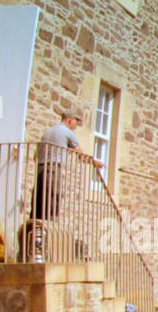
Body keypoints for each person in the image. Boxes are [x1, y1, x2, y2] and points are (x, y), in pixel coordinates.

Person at [23, 107, 102, 260]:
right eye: (75, 123)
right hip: (53, 169)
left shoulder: (49, 131)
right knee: (52, 205)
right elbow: (80, 154)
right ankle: (47, 247)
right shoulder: (67, 132)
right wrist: (95, 162)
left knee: (37, 206)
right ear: (70, 120)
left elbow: (35, 154)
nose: (75, 127)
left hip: (40, 168)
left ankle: (30, 244)